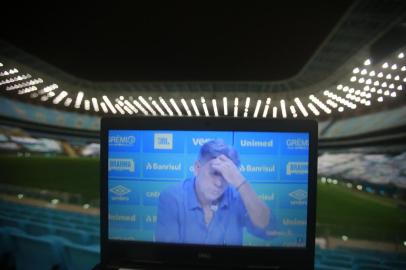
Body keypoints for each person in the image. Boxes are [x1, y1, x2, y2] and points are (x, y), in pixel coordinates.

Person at [155, 139, 273, 245]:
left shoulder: (237, 197)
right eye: (214, 173)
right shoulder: (172, 197)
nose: (219, 183)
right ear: (197, 168)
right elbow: (167, 254)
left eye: (226, 176)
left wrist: (239, 181)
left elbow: (269, 230)